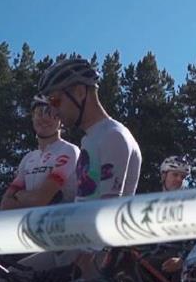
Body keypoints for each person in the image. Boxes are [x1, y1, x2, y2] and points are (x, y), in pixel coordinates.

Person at [37, 57, 142, 201]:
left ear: (80, 92)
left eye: (55, 101)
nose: (54, 112)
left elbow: (107, 212)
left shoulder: (113, 136)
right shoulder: (93, 137)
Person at [0, 95, 79, 210]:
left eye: (51, 114)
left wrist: (20, 195)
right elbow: (5, 205)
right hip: (29, 225)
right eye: (39, 113)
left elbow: (40, 200)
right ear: (32, 117)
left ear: (61, 120)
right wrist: (32, 198)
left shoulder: (68, 150)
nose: (45, 118)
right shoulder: (28, 158)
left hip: (60, 225)